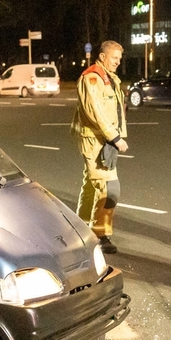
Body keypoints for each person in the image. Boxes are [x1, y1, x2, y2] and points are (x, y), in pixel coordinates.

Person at [72, 40, 127, 254]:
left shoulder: (110, 78)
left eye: (119, 59)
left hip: (103, 140)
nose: (117, 62)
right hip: (96, 140)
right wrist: (115, 138)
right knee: (109, 188)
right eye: (114, 58)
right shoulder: (92, 78)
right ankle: (100, 234)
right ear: (102, 57)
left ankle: (80, 227)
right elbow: (96, 112)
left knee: (90, 185)